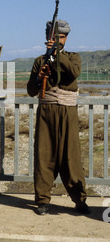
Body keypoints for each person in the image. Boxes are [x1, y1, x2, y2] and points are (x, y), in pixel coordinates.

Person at [27, 19, 89, 216]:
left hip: (68, 113)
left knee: (71, 157)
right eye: (54, 37)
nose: (57, 40)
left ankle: (80, 200)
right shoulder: (39, 61)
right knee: (45, 156)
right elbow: (31, 90)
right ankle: (43, 201)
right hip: (46, 113)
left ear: (66, 38)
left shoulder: (73, 57)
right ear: (47, 37)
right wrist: (40, 77)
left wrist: (56, 55)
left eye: (61, 37)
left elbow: (73, 72)